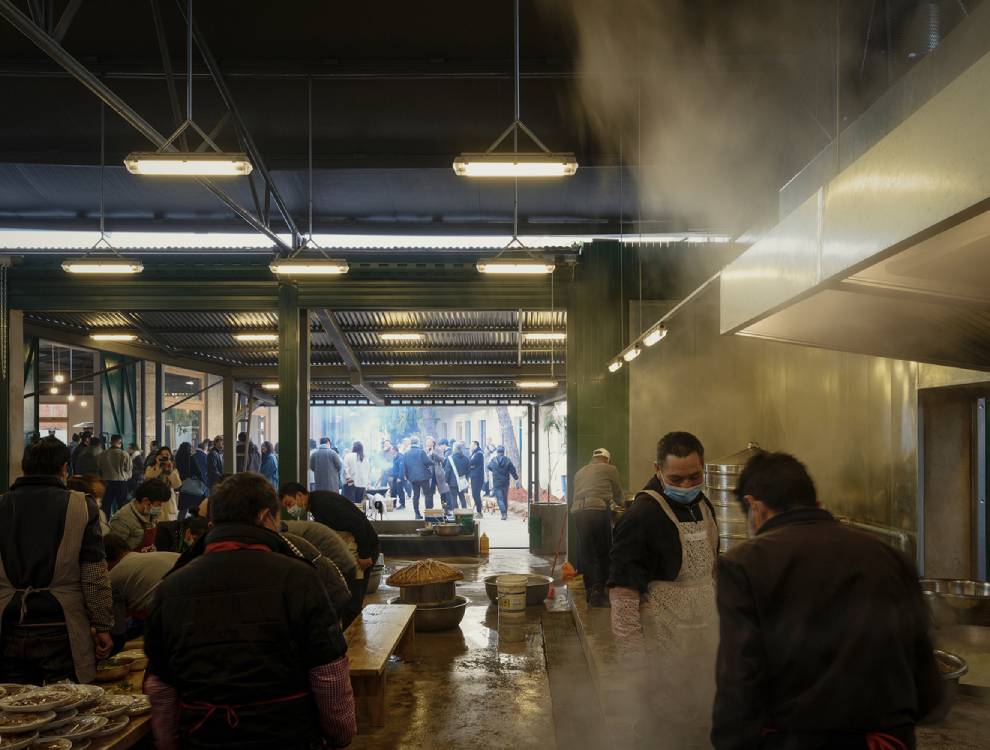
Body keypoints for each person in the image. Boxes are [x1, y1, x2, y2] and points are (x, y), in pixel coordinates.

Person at [712, 452, 941, 750]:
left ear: (755, 508)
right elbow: (927, 684)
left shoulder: (744, 565)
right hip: (885, 741)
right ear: (816, 503)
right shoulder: (890, 558)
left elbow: (739, 681)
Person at [144, 473, 356, 750]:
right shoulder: (299, 577)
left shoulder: (171, 586)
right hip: (288, 737)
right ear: (267, 517)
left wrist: (171, 743)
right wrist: (340, 734)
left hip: (203, 736)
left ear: (214, 521)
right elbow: (328, 670)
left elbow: (160, 686)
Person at [607, 431, 718, 746]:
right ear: (658, 469)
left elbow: (712, 569)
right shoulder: (641, 516)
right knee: (663, 728)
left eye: (694, 477)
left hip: (702, 641)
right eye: (676, 478)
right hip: (662, 648)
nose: (686, 486)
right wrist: (634, 661)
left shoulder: (703, 504)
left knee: (699, 719)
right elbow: (623, 594)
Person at [0, 437, 113, 684]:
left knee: (17, 713)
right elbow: (94, 573)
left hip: (8, 625)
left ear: (24, 466)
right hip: (63, 628)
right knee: (65, 708)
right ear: (64, 467)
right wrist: (102, 626)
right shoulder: (81, 506)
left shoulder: (2, 504)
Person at [279, 483, 379, 627]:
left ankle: (354, 641)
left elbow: (357, 523)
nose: (290, 510)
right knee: (348, 598)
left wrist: (364, 553)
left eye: (289, 504)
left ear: (300, 495)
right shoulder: (315, 505)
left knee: (352, 601)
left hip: (363, 549)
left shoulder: (323, 503)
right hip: (353, 549)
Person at [103, 534, 179, 652]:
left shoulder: (112, 578)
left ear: (104, 561)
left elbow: (117, 631)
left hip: (175, 613)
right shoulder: (150, 557)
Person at [571, 448, 624, 607]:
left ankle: (588, 589)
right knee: (603, 551)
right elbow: (618, 493)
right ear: (608, 459)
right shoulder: (610, 469)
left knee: (586, 551)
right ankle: (599, 592)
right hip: (597, 510)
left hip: (578, 512)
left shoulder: (580, 472)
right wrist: (624, 506)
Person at [109, 479, 172, 551]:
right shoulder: (122, 519)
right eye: (159, 504)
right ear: (145, 500)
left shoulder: (151, 513)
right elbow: (115, 552)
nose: (161, 507)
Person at [97, 434, 132, 517]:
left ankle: (105, 525)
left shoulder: (103, 454)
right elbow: (129, 470)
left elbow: (99, 469)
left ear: (111, 442)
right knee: (122, 506)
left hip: (106, 483)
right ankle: (121, 524)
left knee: (106, 506)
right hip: (121, 482)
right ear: (120, 442)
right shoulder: (124, 454)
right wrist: (126, 477)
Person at [145, 446, 181, 521]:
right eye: (162, 455)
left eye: (167, 455)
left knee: (168, 525)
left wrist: (169, 471)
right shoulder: (152, 467)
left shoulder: (173, 469)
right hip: (154, 499)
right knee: (154, 523)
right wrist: (158, 467)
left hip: (168, 502)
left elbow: (177, 485)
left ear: (170, 457)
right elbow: (148, 479)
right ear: (157, 456)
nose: (164, 457)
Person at [403, 436, 433, 519]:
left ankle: (417, 514)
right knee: (427, 494)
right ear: (418, 442)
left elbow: (404, 467)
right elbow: (427, 462)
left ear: (411, 443)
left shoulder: (406, 453)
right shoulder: (421, 452)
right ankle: (428, 513)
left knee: (416, 495)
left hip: (413, 478)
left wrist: (407, 477)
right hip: (423, 477)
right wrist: (430, 458)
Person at [487, 445, 518, 521]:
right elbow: (512, 470)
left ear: (497, 452)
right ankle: (505, 513)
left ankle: (503, 514)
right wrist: (516, 478)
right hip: (505, 482)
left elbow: (488, 467)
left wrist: (495, 471)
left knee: (499, 499)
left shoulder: (493, 460)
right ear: (503, 452)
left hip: (497, 482)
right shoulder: (507, 460)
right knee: (504, 498)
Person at [342, 441, 371, 506]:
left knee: (349, 504)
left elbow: (345, 469)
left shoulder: (348, 456)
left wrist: (349, 480)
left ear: (353, 447)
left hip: (351, 484)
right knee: (358, 505)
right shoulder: (365, 458)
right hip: (362, 485)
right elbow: (368, 472)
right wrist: (368, 484)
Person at [468, 440, 486, 518]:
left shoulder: (478, 454)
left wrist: (471, 466)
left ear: (475, 445)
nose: (470, 447)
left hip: (477, 477)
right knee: (474, 494)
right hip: (474, 476)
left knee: (476, 494)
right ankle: (479, 511)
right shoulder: (475, 453)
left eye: (471, 445)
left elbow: (471, 462)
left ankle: (479, 512)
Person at [451, 441, 470, 511]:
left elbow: (447, 471)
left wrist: (446, 480)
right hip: (462, 481)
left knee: (453, 498)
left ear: (454, 449)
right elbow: (468, 471)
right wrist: (466, 479)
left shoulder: (450, 458)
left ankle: (456, 513)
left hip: (452, 482)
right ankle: (464, 512)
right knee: (462, 497)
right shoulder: (466, 459)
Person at [388, 445, 406, 510]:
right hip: (394, 477)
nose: (390, 451)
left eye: (391, 450)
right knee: (393, 491)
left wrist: (400, 478)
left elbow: (402, 469)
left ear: (394, 450)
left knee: (400, 491)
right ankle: (393, 504)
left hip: (399, 478)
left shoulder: (400, 457)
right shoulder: (394, 457)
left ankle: (402, 504)